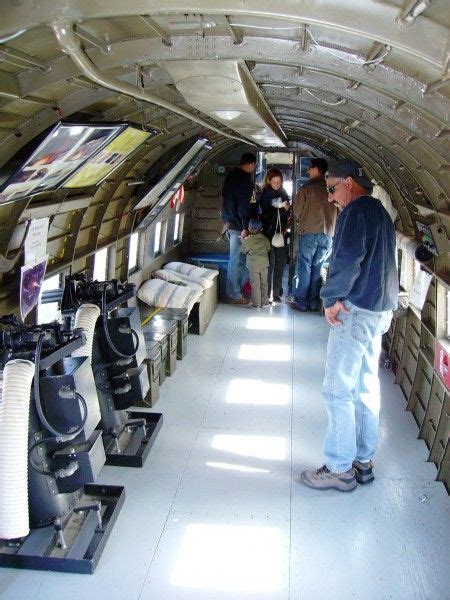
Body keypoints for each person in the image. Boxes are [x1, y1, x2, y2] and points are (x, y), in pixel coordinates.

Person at [300, 159, 399, 492]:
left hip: (355, 311)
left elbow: (346, 260)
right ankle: (363, 460)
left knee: (337, 389)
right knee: (366, 385)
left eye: (331, 189)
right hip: (379, 310)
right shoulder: (380, 212)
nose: (329, 198)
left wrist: (330, 298)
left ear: (349, 183)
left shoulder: (355, 213)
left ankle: (339, 467)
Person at [291, 157, 337, 311]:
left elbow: (296, 212)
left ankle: (301, 301)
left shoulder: (307, 188)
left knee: (304, 266)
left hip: (309, 232)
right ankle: (314, 302)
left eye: (310, 167)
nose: (307, 170)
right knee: (317, 267)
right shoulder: (332, 188)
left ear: (317, 169)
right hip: (328, 234)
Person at [221, 152, 257, 304]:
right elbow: (244, 206)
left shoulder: (230, 177)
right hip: (239, 226)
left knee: (241, 259)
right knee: (236, 260)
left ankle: (238, 290)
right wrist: (245, 227)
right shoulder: (245, 181)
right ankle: (233, 294)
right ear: (252, 165)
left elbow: (225, 199)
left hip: (230, 223)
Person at [258, 168, 290, 302]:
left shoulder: (284, 193)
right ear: (269, 181)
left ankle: (276, 292)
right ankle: (266, 293)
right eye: (274, 182)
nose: (277, 184)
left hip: (281, 232)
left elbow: (288, 213)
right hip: (268, 233)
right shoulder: (265, 194)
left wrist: (286, 209)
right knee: (270, 263)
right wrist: (278, 208)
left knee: (281, 262)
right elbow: (263, 214)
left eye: (279, 182)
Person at [240, 218, 271, 309]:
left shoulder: (248, 240)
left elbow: (242, 250)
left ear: (249, 229)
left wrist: (242, 238)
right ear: (261, 229)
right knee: (264, 283)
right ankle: (265, 302)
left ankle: (256, 304)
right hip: (264, 264)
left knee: (255, 284)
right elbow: (268, 249)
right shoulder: (265, 239)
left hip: (253, 265)